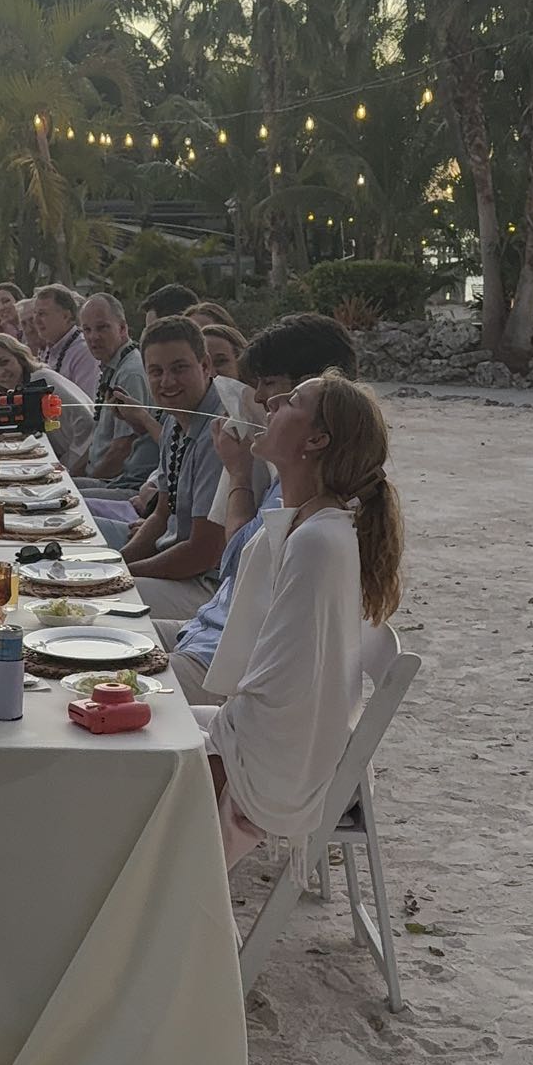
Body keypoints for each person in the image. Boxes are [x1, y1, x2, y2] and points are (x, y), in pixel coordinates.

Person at [198, 372, 403, 874]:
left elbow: (280, 695)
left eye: (291, 401)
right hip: (275, 744)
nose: (269, 403)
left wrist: (211, 760)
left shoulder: (317, 543)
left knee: (130, 757)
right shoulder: (310, 523)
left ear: (316, 441)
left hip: (277, 767)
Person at [156, 314, 357, 702]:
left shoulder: (314, 506)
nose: (260, 398)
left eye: (272, 386)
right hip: (205, 631)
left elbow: (232, 562)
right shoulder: (292, 478)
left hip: (220, 663)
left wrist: (239, 473)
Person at [112, 318, 225, 618]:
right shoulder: (175, 421)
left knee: (101, 603)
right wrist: (115, 564)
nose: (167, 382)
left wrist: (120, 575)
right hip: (178, 571)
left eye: (179, 368)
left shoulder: (219, 433)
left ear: (205, 365)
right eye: (156, 372)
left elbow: (203, 552)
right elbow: (162, 515)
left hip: (211, 588)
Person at [74, 293, 158, 497]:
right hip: (102, 476)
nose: (93, 337)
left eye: (102, 327)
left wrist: (88, 483)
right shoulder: (112, 366)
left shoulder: (130, 373)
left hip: (122, 483)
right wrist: (70, 475)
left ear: (122, 328)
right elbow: (98, 444)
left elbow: (123, 449)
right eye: (87, 330)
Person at [0, 331, 95, 468]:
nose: (1, 372)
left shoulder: (43, 381)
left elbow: (87, 420)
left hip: (87, 461)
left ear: (20, 358)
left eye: (5, 362)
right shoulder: (18, 391)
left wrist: (70, 464)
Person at [32, 283, 100, 400]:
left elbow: (86, 402)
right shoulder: (48, 348)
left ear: (66, 316)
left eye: (42, 314)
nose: (36, 320)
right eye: (35, 313)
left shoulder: (84, 351)